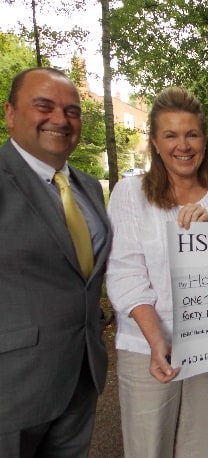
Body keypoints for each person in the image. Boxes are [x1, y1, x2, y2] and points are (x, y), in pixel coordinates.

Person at [106, 87, 208, 458]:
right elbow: (125, 273)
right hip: (146, 347)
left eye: (192, 134)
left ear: (205, 140)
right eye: (171, 135)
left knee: (204, 448)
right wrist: (156, 339)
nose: (183, 145)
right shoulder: (130, 193)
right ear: (156, 143)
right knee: (149, 449)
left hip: (204, 348)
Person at [0, 67, 111, 456]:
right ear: (10, 113)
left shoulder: (88, 187)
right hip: (11, 388)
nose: (61, 120)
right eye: (44, 106)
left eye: (72, 111)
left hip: (80, 377)